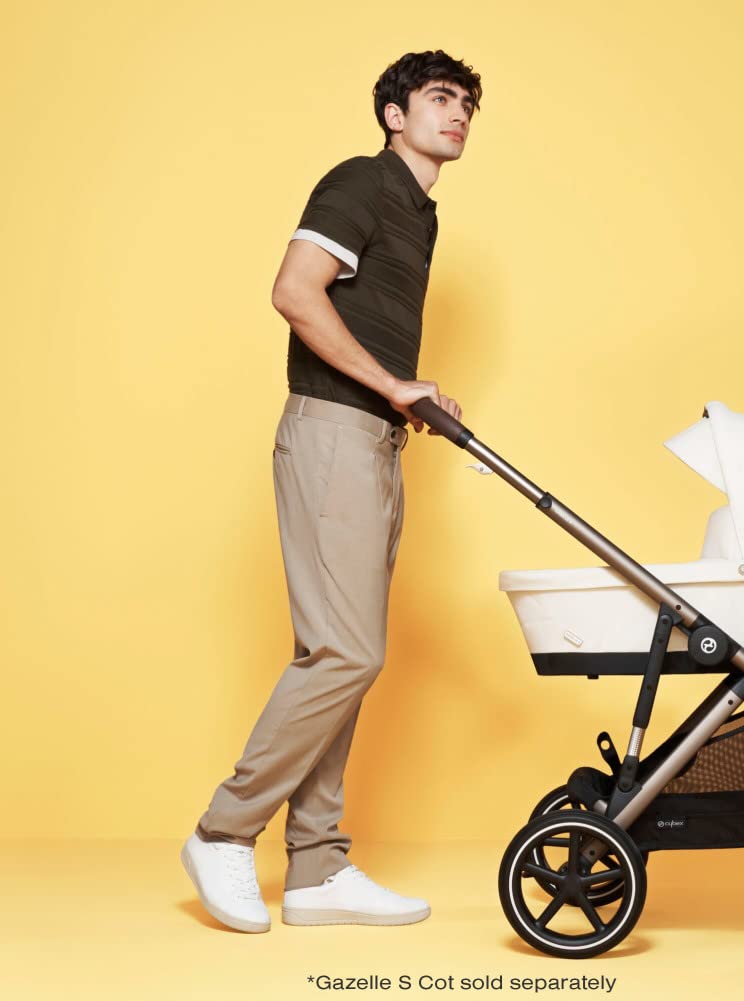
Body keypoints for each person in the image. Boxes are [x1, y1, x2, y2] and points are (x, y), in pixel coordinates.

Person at [181, 51, 480, 933]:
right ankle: (223, 829)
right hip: (332, 433)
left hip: (375, 440)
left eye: (468, 104)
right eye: (439, 98)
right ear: (394, 113)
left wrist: (407, 396)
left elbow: (359, 323)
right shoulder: (362, 181)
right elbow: (294, 290)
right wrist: (393, 385)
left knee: (339, 656)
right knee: (348, 653)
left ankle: (315, 866)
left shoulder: (419, 213)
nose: (458, 114)